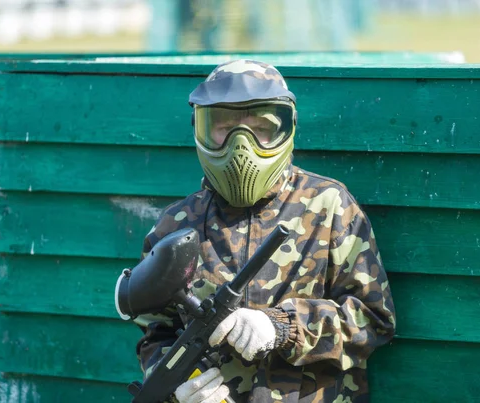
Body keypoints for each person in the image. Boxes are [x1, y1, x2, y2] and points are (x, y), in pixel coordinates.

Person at [132, 59, 396, 403]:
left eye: (260, 126)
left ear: (286, 129)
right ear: (201, 130)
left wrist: (282, 327)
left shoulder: (328, 206)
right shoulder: (177, 225)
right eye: (223, 126)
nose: (241, 145)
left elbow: (373, 320)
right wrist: (179, 389)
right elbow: (156, 333)